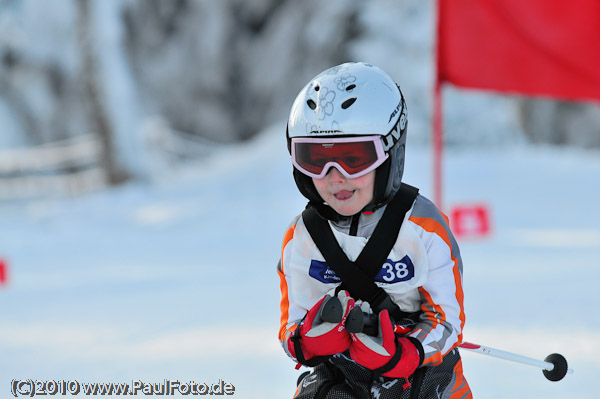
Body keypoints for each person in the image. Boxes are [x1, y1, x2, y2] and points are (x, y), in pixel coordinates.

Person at [277, 62, 472, 399]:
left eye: (353, 158)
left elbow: (446, 322)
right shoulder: (302, 238)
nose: (334, 176)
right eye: (314, 159)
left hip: (418, 372)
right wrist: (306, 340)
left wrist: (406, 353)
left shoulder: (423, 228)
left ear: (389, 153)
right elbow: (290, 327)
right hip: (341, 373)